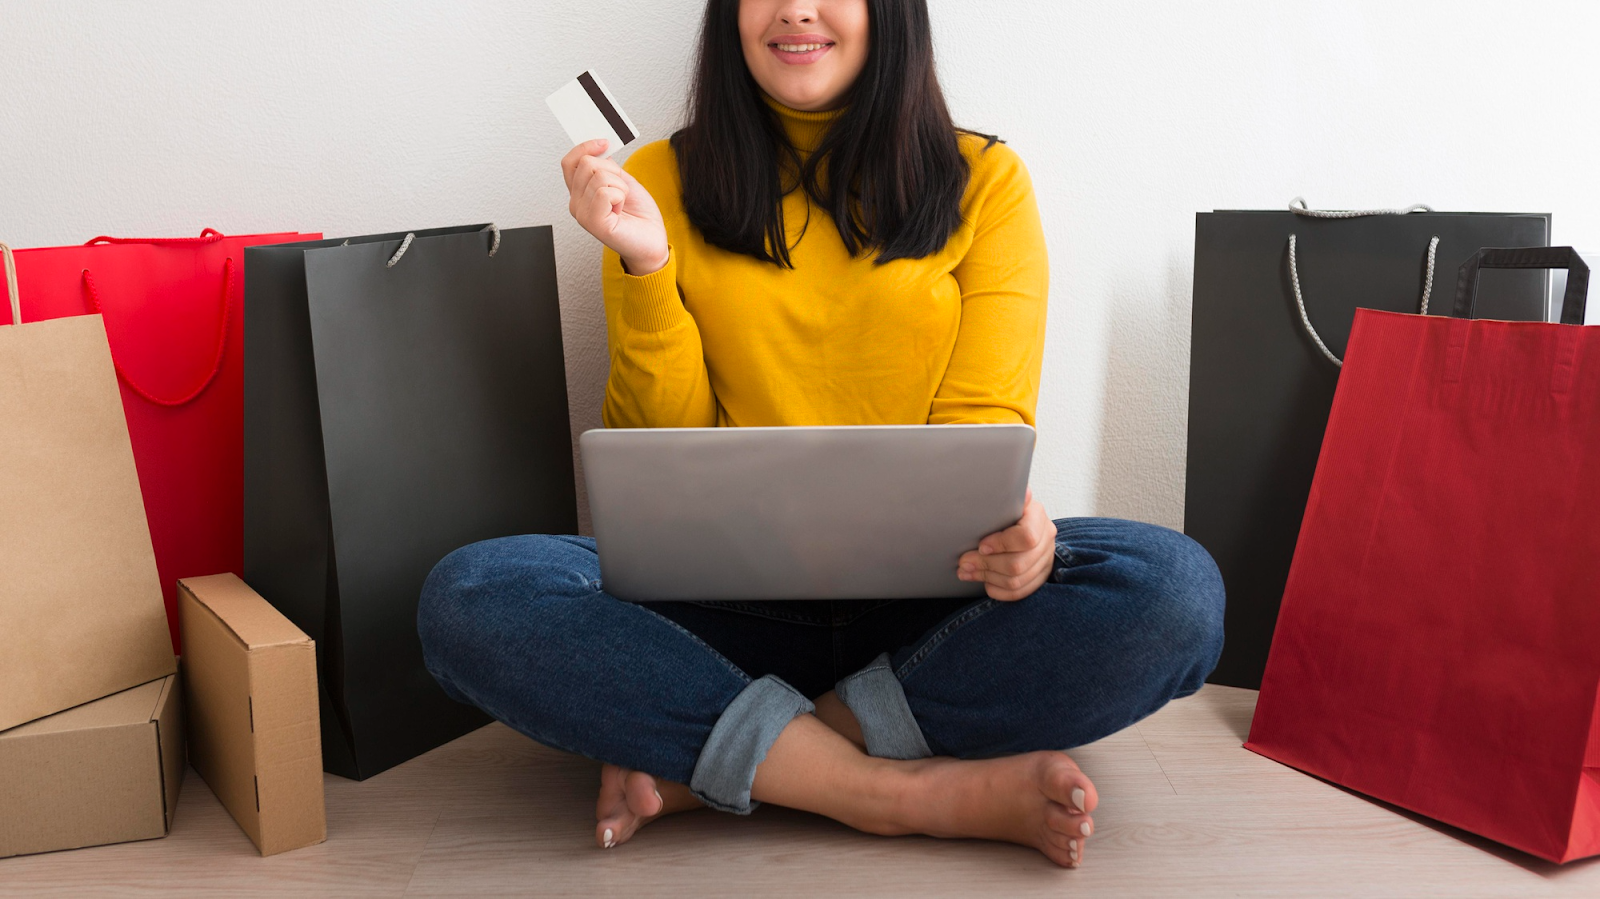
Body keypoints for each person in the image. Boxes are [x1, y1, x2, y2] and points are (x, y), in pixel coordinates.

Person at [418, 0, 1223, 869]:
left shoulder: (985, 179)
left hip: (931, 614)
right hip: (716, 610)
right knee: (468, 595)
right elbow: (659, 456)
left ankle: (738, 761)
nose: (797, 8)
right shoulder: (649, 179)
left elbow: (984, 428)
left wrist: (1017, 538)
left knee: (1174, 589)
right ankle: (890, 791)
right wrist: (645, 262)